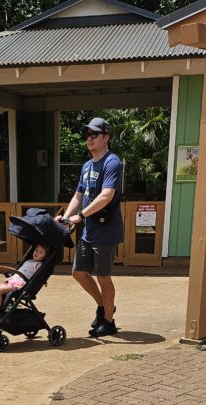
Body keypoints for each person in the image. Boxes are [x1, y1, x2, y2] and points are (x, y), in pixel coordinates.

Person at [57, 117, 124, 338]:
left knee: (103, 275)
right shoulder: (87, 166)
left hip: (105, 230)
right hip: (88, 230)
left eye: (94, 135)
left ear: (106, 137)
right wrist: (66, 218)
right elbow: (79, 195)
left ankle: (108, 321)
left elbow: (107, 196)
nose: (89, 139)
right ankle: (104, 306)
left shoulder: (112, 162)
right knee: (78, 272)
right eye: (87, 135)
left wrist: (81, 215)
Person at [0, 241, 50, 325]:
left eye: (40, 252)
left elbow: (35, 277)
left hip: (20, 283)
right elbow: (20, 272)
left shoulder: (39, 265)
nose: (36, 253)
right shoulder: (28, 261)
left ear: (45, 256)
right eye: (36, 250)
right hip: (14, 280)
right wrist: (10, 277)